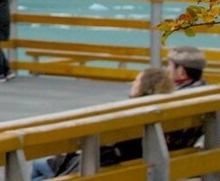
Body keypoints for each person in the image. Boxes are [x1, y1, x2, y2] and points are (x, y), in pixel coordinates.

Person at [31, 67, 177, 179]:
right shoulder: (168, 110)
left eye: (137, 81)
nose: (133, 83)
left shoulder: (132, 113)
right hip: (136, 164)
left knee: (38, 166)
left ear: (145, 86)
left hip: (112, 165)